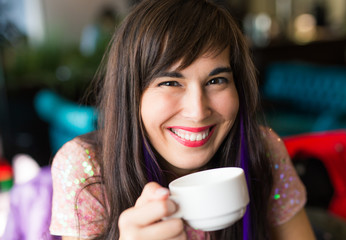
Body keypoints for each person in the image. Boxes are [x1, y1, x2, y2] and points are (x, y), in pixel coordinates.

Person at [49, 0, 316, 239]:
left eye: (216, 80)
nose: (198, 111)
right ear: (130, 93)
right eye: (170, 82)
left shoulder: (262, 149)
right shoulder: (88, 167)